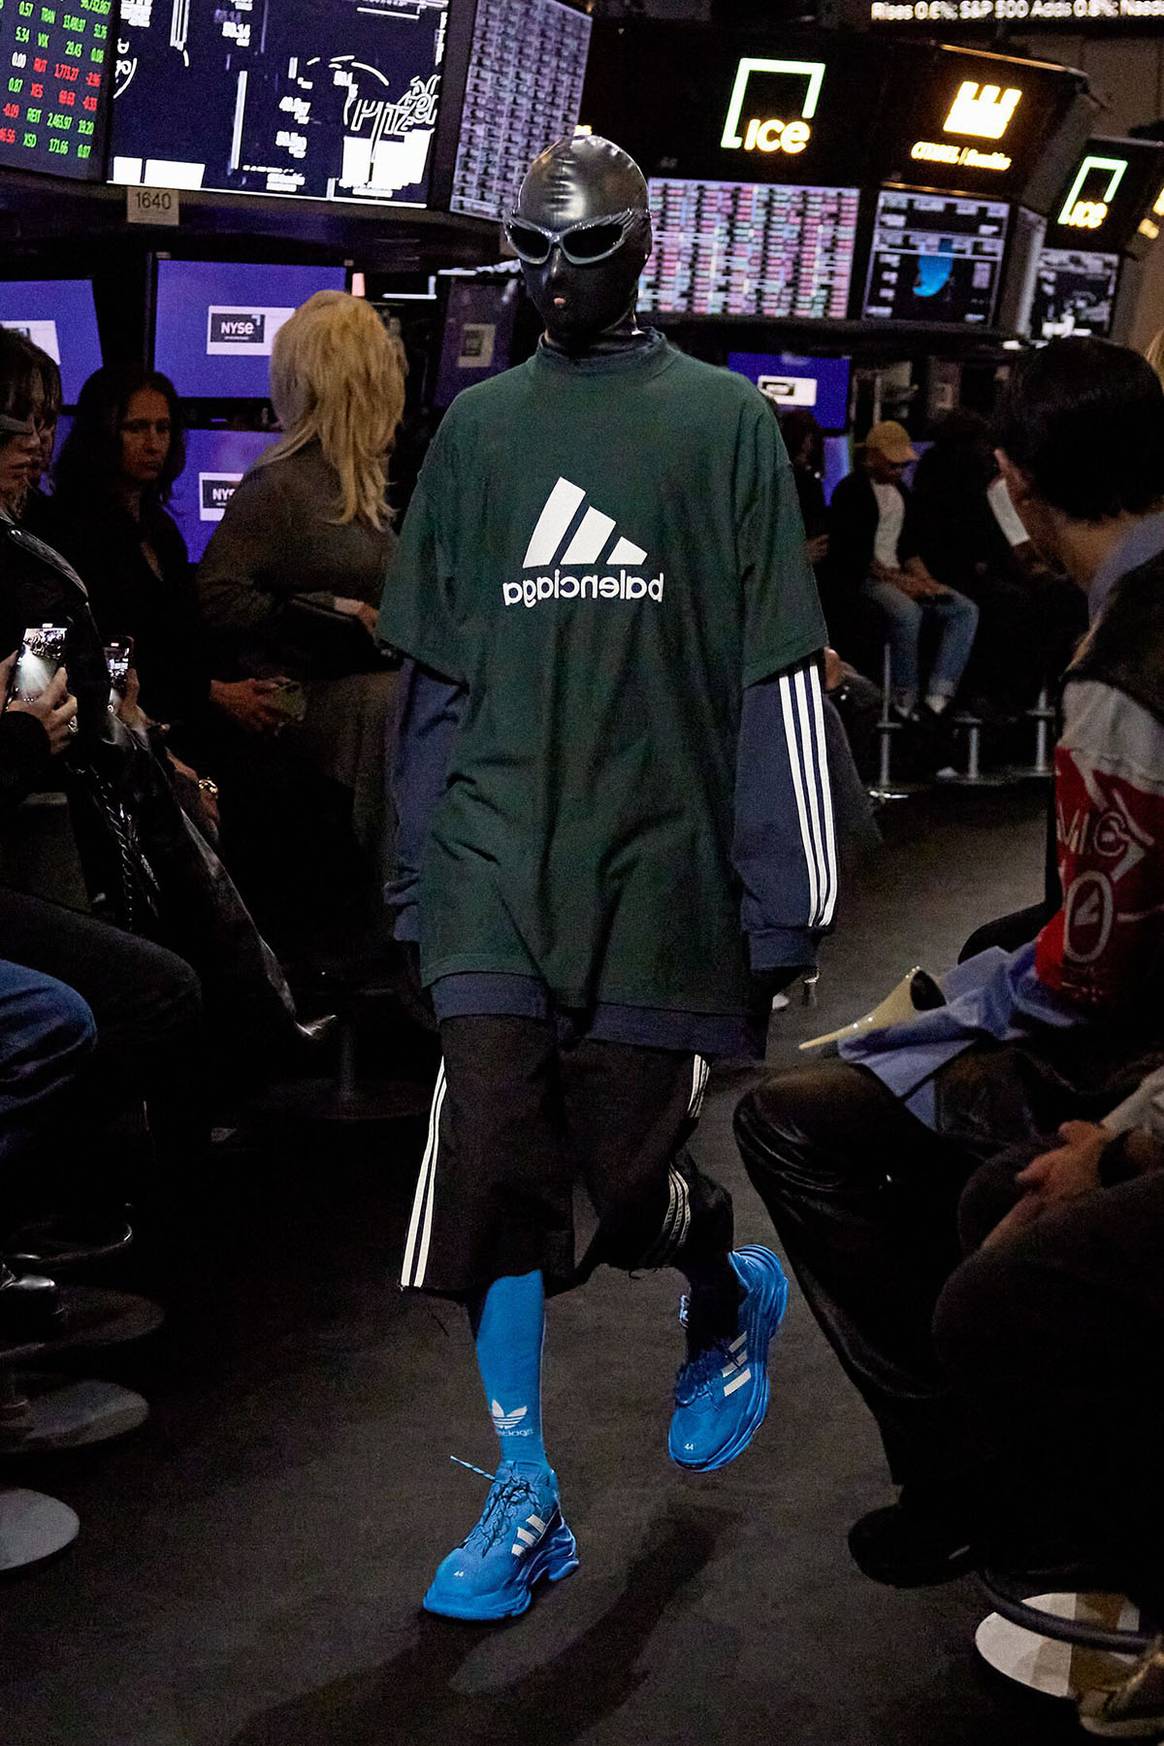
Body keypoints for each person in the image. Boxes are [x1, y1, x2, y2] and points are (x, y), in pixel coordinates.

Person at [379, 134, 834, 1623]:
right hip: (492, 858)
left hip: (657, 862)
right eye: (531, 247)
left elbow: (776, 673)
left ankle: (720, 1279)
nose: (554, 276)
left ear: (638, 248)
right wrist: (417, 883)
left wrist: (789, 895)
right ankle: (524, 1488)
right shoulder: (478, 430)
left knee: (624, 1194)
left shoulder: (723, 426)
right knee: (495, 1169)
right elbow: (435, 682)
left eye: (582, 246)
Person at [734, 337, 1164, 1587]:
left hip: (1126, 1049)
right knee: (960, 996)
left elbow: (1090, 975)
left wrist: (950, 1014)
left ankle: (958, 1473)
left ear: (1017, 481)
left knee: (797, 1119)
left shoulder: (1124, 672)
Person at [198, 290, 407, 923]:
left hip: (356, 686)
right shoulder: (281, 485)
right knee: (390, 706)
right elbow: (215, 599)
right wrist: (337, 612)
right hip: (296, 699)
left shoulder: (361, 480)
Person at [828, 421, 979, 723]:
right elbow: (857, 556)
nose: (899, 470)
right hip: (866, 579)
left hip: (897, 574)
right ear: (872, 457)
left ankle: (939, 693)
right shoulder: (851, 492)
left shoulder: (902, 494)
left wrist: (926, 582)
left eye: (902, 465)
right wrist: (904, 583)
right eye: (893, 464)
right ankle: (904, 697)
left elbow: (909, 547)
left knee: (963, 609)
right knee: (907, 613)